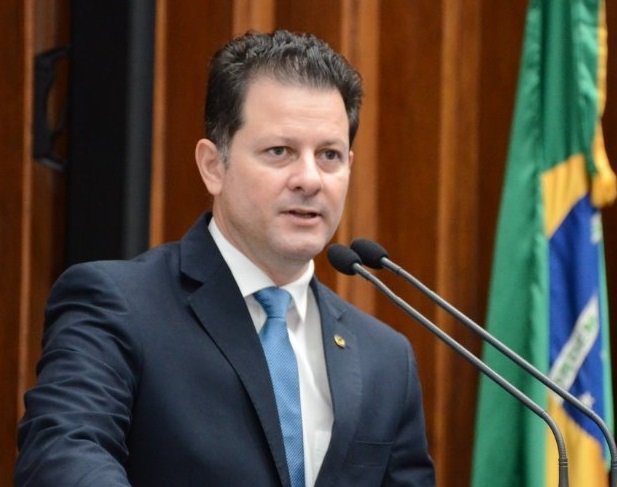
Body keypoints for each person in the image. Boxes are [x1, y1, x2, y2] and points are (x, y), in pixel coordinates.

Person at [15, 30, 435, 486]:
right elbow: (62, 455)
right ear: (213, 166)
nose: (310, 179)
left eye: (329, 155)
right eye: (280, 151)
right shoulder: (118, 305)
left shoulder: (385, 358)